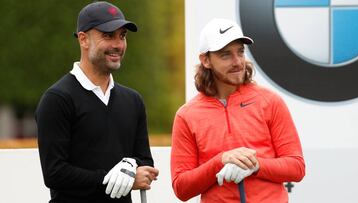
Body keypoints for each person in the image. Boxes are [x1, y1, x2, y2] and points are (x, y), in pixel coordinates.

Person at [170, 18, 305, 203]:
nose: (237, 62)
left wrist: (255, 165)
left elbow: (296, 167)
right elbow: (181, 188)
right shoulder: (187, 115)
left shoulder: (270, 101)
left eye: (240, 52)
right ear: (205, 60)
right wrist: (221, 161)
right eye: (226, 55)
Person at [35, 2, 159, 202]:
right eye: (108, 35)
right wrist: (108, 179)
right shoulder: (57, 99)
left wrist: (130, 164)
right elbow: (55, 173)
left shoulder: (133, 100)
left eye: (122, 36)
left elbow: (144, 161)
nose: (118, 44)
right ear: (83, 39)